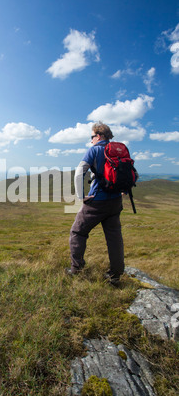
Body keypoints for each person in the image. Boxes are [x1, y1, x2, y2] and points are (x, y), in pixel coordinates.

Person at [65, 121, 124, 287]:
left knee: (77, 232)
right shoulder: (119, 151)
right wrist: (122, 190)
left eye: (92, 137)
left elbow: (79, 173)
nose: (91, 140)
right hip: (115, 201)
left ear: (98, 136)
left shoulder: (95, 150)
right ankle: (115, 275)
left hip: (97, 201)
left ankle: (76, 269)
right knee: (114, 238)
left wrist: (80, 196)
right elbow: (132, 173)